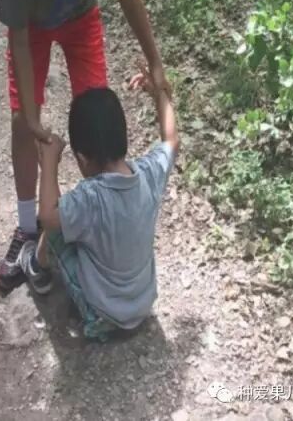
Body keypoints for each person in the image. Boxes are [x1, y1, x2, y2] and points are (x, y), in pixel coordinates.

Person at [0, 0, 171, 292]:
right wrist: (32, 118)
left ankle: (98, 218)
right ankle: (28, 227)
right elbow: (18, 41)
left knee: (96, 122)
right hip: (32, 29)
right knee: (21, 122)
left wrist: (155, 61)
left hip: (81, 18)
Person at [18, 69, 179, 340]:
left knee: (57, 230)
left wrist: (49, 161)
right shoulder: (149, 173)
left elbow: (48, 216)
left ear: (82, 158)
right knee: (71, 221)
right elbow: (171, 140)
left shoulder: (89, 199)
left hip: (104, 315)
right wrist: (159, 94)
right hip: (143, 303)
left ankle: (36, 266)